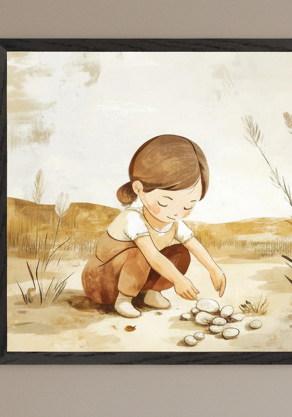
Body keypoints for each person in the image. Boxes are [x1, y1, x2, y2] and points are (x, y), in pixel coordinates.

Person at [82, 135, 226, 318]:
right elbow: (152, 255)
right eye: (164, 203)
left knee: (181, 252)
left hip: (135, 280)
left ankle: (150, 293)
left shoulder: (173, 223)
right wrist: (178, 279)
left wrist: (214, 269)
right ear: (139, 189)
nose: (175, 212)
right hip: (103, 283)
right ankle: (124, 299)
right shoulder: (132, 218)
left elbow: (193, 244)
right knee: (141, 253)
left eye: (188, 206)